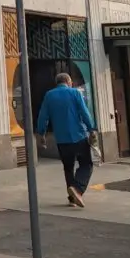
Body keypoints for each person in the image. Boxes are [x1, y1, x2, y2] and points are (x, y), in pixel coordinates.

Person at [36, 72, 97, 208]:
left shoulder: (49, 95)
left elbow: (43, 116)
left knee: (68, 168)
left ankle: (72, 198)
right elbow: (84, 112)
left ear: (57, 83)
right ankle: (78, 190)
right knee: (86, 165)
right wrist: (91, 128)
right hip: (78, 136)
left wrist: (41, 134)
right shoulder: (75, 93)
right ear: (69, 82)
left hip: (62, 140)